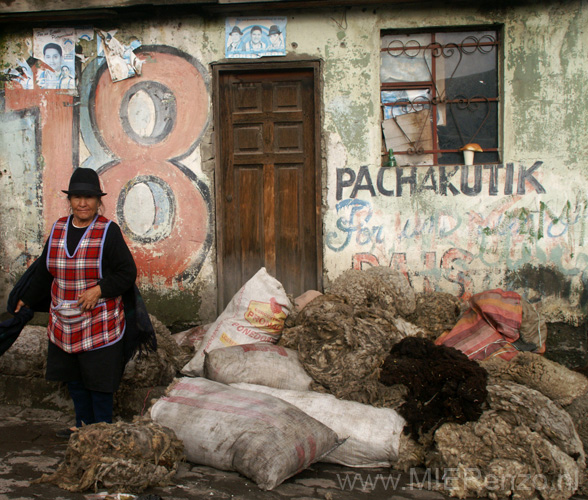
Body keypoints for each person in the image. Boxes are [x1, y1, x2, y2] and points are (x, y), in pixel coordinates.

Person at [15, 168, 138, 438]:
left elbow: (127, 273)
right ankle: (82, 426)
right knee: (75, 378)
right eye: (77, 197)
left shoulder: (108, 231)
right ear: (69, 200)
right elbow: (44, 271)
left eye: (89, 197)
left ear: (98, 201)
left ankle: (102, 431)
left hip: (99, 321)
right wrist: (26, 298)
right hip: (64, 320)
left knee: (99, 381)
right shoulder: (59, 229)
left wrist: (100, 289)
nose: (83, 203)